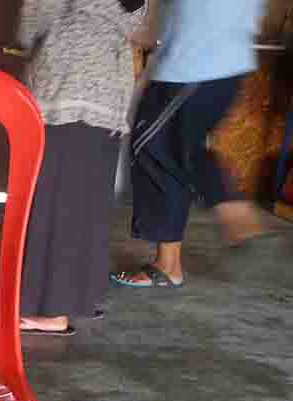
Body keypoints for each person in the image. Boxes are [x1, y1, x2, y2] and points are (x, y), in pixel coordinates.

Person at [112, 0, 276, 289]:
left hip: (194, 63)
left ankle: (232, 209)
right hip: (218, 63)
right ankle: (170, 264)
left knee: (158, 146)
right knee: (171, 148)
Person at [18, 0, 147, 336]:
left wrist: (28, 39)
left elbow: (34, 21)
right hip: (109, 89)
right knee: (89, 203)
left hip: (69, 84)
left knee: (56, 204)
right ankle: (83, 298)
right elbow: (135, 21)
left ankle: (52, 311)